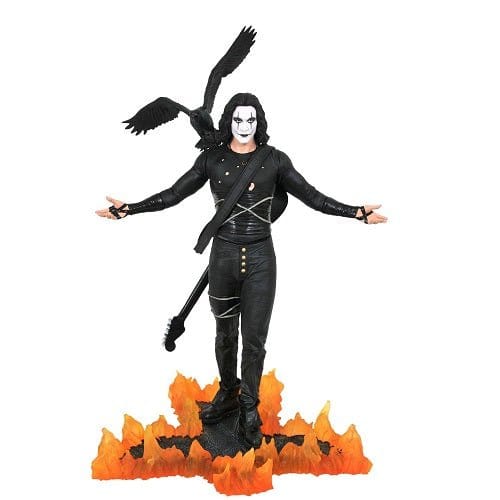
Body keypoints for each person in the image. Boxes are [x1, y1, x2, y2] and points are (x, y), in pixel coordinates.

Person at [96, 93, 387, 448]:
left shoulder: (275, 160)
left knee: (254, 341)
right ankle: (228, 393)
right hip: (223, 258)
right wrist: (130, 208)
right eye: (238, 119)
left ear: (259, 122)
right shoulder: (211, 159)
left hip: (262, 260)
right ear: (228, 121)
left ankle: (249, 407)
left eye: (251, 120)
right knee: (224, 334)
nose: (244, 126)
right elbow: (173, 194)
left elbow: (314, 197)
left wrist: (356, 212)